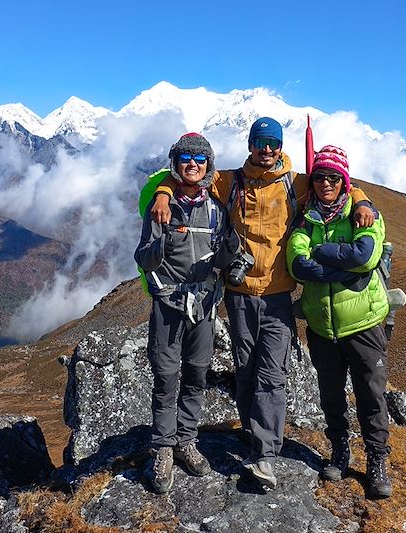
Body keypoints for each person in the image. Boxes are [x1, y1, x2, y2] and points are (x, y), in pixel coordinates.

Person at [150, 118, 375, 488]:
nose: (267, 149)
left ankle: (265, 456)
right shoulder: (229, 180)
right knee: (246, 370)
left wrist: (362, 200)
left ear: (280, 145)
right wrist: (162, 192)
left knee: (272, 374)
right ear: (251, 144)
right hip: (239, 296)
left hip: (277, 296)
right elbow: (186, 176)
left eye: (273, 142)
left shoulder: (296, 182)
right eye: (260, 142)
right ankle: (255, 434)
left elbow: (335, 182)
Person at [286, 145, 392, 498]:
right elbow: (297, 265)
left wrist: (321, 253)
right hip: (321, 327)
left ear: (345, 181)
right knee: (331, 396)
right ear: (312, 181)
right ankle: (340, 451)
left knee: (371, 396)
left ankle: (377, 461)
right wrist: (339, 269)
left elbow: (365, 256)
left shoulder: (363, 214)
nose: (326, 183)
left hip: (364, 324)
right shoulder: (305, 219)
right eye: (320, 177)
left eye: (334, 177)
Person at [135, 132, 238, 493]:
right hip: (168, 304)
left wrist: (230, 254)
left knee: (196, 374)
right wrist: (160, 241)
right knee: (165, 377)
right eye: (185, 158)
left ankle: (186, 440)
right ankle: (162, 448)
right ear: (175, 163)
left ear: (208, 165)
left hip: (205, 306)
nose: (192, 164)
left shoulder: (216, 210)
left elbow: (224, 258)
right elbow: (142, 257)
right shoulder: (160, 207)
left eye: (199, 158)